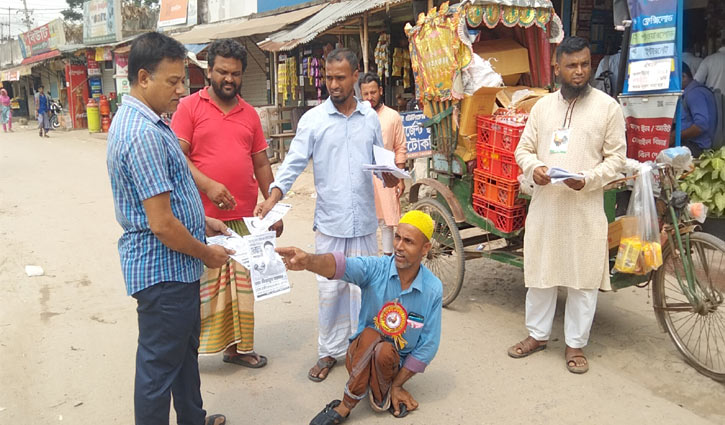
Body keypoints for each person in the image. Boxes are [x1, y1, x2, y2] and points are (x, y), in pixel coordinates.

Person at [254, 48, 399, 383]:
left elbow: (380, 163)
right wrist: (272, 198)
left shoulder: (369, 119)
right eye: (329, 78)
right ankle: (328, 351)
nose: (333, 84)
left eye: (340, 78)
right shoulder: (314, 120)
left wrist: (389, 176)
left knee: (365, 290)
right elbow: (292, 164)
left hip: (363, 223)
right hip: (331, 223)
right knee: (330, 290)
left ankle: (363, 347)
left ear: (355, 76)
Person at [106, 32, 229, 425]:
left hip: (175, 269)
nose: (181, 90)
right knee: (159, 368)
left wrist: (202, 220)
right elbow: (160, 224)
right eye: (173, 81)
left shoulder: (150, 122)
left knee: (182, 354)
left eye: (183, 81)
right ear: (144, 78)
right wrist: (206, 253)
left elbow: (167, 197)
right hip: (164, 273)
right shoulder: (142, 133)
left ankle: (193, 418)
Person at [510, 36, 626, 374]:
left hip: (585, 207)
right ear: (557, 67)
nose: (579, 71)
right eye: (572, 65)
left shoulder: (608, 108)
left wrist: (588, 179)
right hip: (546, 206)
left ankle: (576, 344)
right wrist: (535, 168)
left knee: (583, 277)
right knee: (541, 273)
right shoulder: (543, 107)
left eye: (585, 64)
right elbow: (523, 150)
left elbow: (617, 159)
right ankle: (537, 335)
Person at [171, 38, 278, 369]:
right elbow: (177, 157)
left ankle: (238, 349)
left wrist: (272, 205)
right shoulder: (190, 107)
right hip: (201, 219)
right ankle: (189, 353)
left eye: (235, 73)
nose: (229, 79)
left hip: (244, 221)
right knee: (204, 292)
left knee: (241, 293)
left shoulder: (250, 114)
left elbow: (261, 163)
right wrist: (207, 184)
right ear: (209, 71)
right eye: (222, 72)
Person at [276, 210, 442, 424]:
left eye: (408, 241)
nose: (399, 246)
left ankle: (361, 399)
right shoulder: (377, 268)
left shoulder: (432, 289)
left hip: (394, 366)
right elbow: (342, 266)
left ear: (425, 248)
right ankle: (361, 400)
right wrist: (308, 261)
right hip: (360, 354)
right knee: (371, 335)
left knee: (384, 350)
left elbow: (428, 344)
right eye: (397, 237)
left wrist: (398, 384)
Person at [359, 73, 407, 256]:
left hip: (386, 174)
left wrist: (400, 177)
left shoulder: (392, 116)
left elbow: (400, 147)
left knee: (387, 222)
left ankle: (387, 260)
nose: (369, 97)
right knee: (366, 220)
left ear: (380, 91)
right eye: (365, 94)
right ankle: (369, 261)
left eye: (373, 92)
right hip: (363, 176)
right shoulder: (357, 117)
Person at [675, 62, 717, 158]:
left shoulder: (694, 94)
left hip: (698, 147)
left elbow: (700, 126)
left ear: (683, 77)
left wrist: (676, 136)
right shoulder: (690, 92)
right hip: (692, 143)